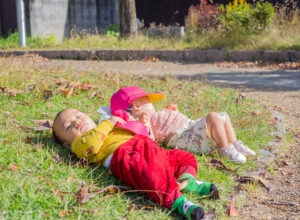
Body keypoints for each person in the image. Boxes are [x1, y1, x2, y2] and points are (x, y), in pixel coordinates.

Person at [52, 108, 219, 220]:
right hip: (126, 155)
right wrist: (109, 122)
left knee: (183, 157)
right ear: (67, 144)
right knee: (151, 175)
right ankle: (180, 203)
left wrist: (132, 121)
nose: (76, 122)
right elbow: (92, 145)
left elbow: (139, 130)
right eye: (67, 127)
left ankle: (189, 181)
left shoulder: (109, 124)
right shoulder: (79, 144)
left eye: (78, 115)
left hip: (147, 146)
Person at [106, 86, 256, 164]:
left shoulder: (153, 115)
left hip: (189, 127)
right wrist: (144, 125)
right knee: (212, 117)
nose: (152, 103)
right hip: (184, 137)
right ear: (137, 105)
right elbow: (148, 139)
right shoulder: (144, 121)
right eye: (148, 100)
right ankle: (224, 149)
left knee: (223, 115)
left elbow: (170, 121)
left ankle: (234, 144)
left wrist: (175, 113)